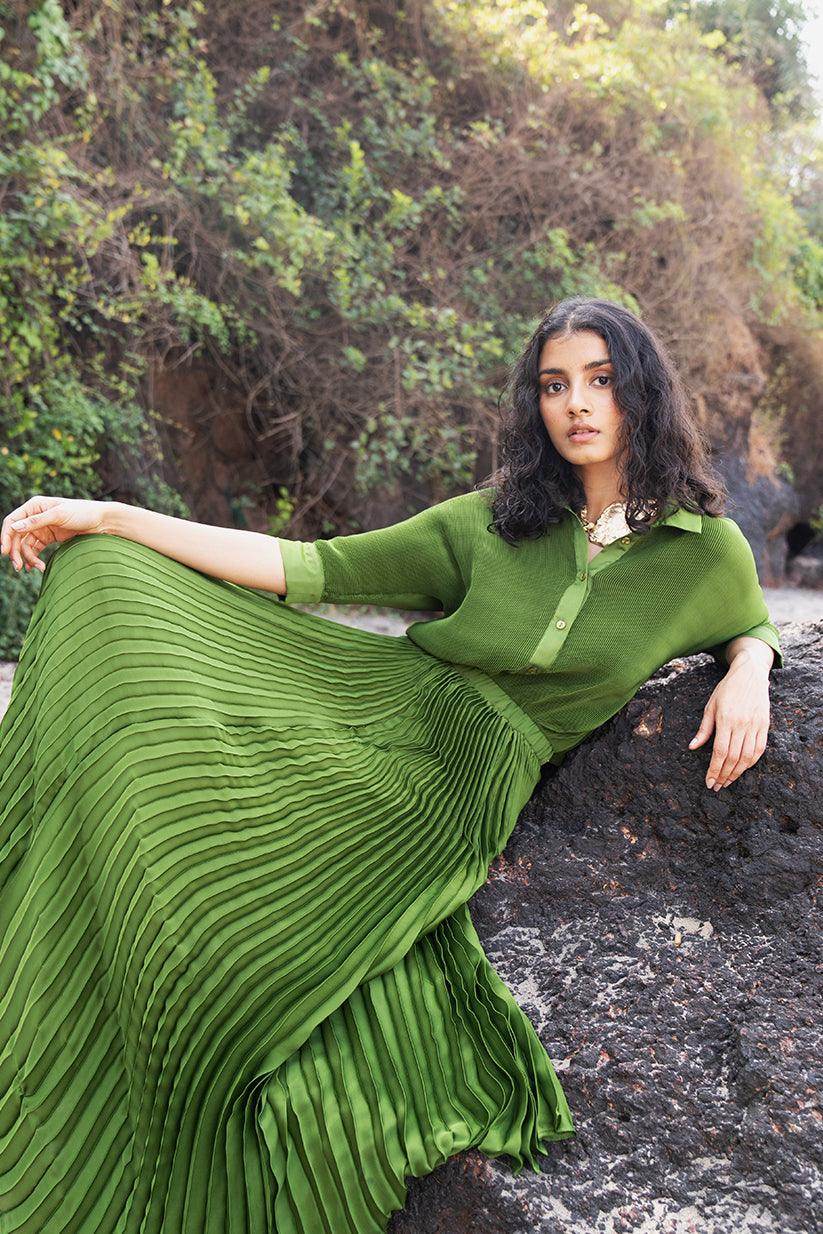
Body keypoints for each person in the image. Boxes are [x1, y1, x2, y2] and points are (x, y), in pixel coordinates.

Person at [0, 296, 783, 1233]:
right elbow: (307, 567)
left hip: (458, 783)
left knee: (244, 971)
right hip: (366, 700)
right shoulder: (494, 520)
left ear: (641, 393)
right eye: (553, 385)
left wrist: (750, 667)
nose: (576, 404)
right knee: (123, 636)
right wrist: (111, 518)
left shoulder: (702, 550)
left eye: (600, 380)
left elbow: (749, 618)